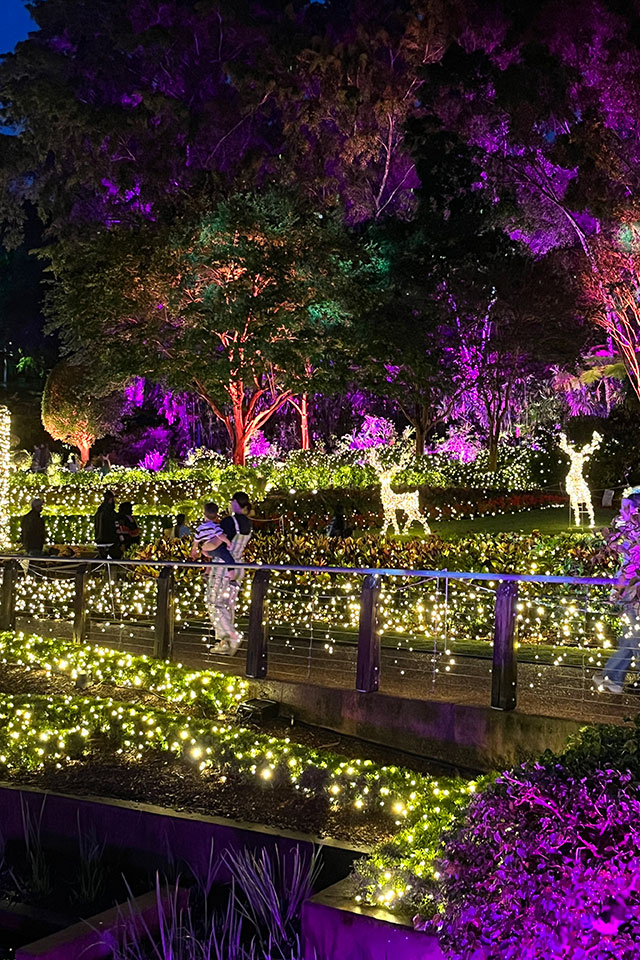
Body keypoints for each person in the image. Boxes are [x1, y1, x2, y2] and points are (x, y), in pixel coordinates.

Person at [594, 489, 640, 694]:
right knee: (630, 639)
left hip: (634, 597)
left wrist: (616, 591)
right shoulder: (630, 535)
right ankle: (613, 677)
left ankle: (612, 677)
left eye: (625, 508)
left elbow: (630, 569)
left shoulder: (634, 537)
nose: (621, 512)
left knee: (632, 639)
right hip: (631, 595)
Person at [209, 491, 253, 656]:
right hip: (239, 566)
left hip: (224, 566)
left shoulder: (229, 521)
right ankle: (224, 642)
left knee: (214, 602)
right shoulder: (248, 523)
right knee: (228, 605)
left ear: (235, 503)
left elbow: (217, 543)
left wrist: (204, 546)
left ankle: (231, 636)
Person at [94, 490, 122, 559]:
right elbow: (116, 526)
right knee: (118, 558)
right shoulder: (110, 512)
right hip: (110, 541)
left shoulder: (99, 511)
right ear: (111, 499)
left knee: (103, 561)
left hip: (99, 541)